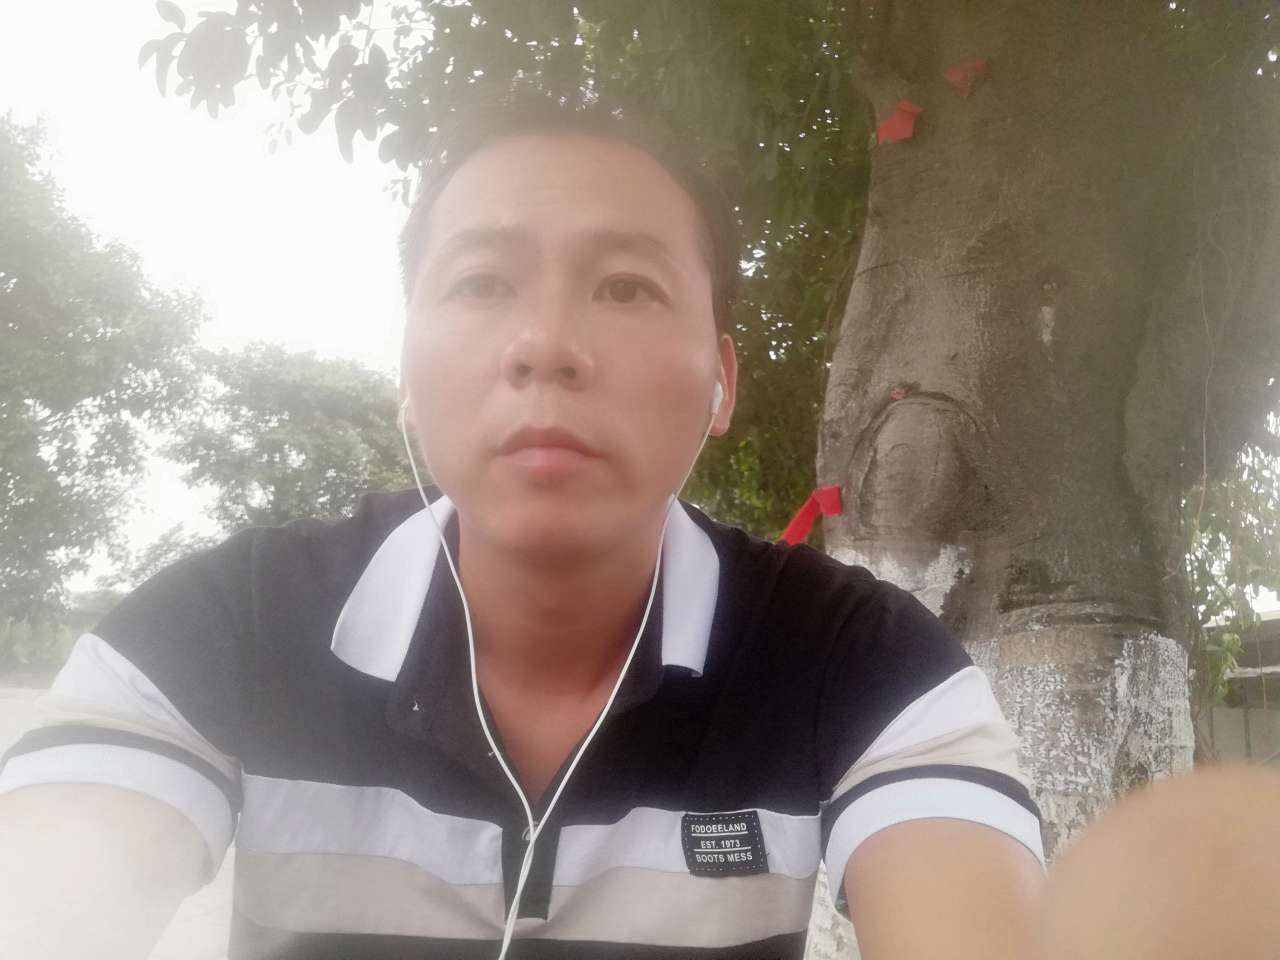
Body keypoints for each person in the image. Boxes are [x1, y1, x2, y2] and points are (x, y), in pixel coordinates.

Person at [0, 97, 1044, 960]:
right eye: (480, 283)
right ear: (407, 376)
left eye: (626, 287)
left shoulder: (862, 665)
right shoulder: (225, 626)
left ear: (721, 381)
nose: (545, 344)